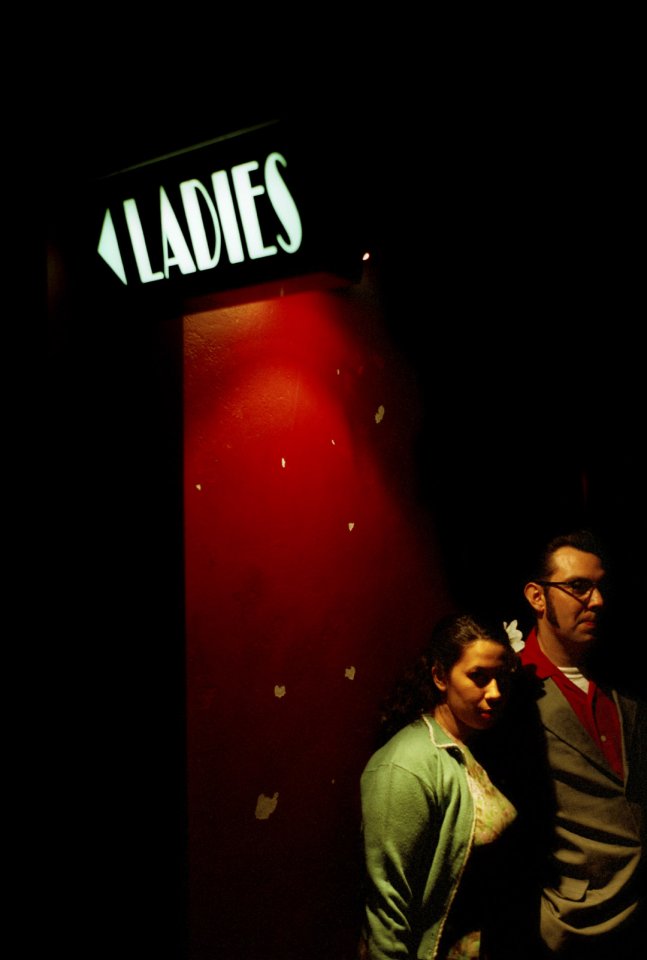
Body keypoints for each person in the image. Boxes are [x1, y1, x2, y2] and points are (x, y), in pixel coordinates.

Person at [358, 612, 524, 959]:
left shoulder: (473, 746)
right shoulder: (407, 764)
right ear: (439, 676)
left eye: (501, 678)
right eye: (478, 677)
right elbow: (388, 909)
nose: (494, 693)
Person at [516, 528, 647, 958]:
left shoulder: (620, 684)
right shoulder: (509, 690)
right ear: (538, 597)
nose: (597, 600)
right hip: (571, 926)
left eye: (599, 586)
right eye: (578, 587)